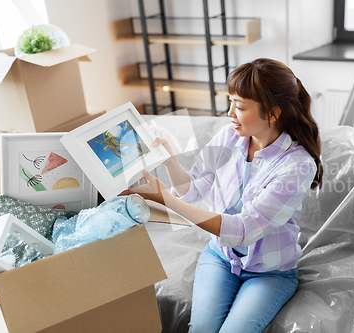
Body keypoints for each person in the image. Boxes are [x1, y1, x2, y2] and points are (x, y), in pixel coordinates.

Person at [123, 58, 323, 333]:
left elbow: (245, 230)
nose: (230, 113)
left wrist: (166, 201)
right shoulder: (229, 136)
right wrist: (171, 162)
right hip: (221, 257)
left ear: (273, 113)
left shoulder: (297, 165)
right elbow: (193, 190)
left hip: (270, 272)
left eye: (240, 107)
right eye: (230, 102)